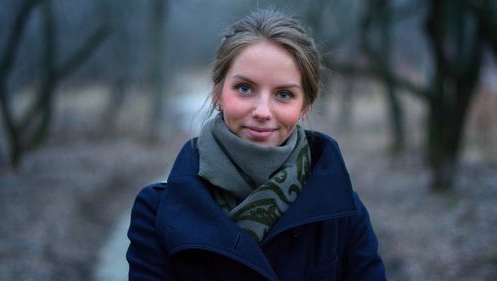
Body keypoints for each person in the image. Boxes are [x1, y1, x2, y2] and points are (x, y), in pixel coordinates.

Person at [127, 9, 387, 281]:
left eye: (284, 94)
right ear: (218, 93)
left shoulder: (341, 212)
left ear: (305, 106)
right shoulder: (156, 210)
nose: (263, 111)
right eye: (245, 88)